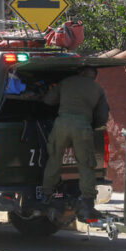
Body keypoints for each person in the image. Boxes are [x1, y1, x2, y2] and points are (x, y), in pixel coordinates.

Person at [41, 66, 109, 221]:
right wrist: (92, 125)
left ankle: (46, 194)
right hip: (83, 126)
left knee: (54, 159)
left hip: (62, 124)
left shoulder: (66, 82)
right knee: (86, 165)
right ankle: (87, 202)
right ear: (94, 76)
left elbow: (48, 100)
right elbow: (102, 115)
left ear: (81, 72)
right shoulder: (98, 89)